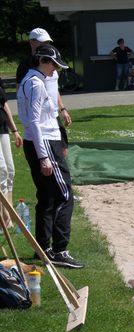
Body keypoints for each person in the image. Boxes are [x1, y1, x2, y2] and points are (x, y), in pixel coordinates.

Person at [16, 45, 84, 269]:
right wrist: (44, 156)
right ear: (42, 61)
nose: (56, 69)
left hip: (37, 141)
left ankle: (42, 248)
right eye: (53, 64)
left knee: (46, 197)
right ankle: (60, 250)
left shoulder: (30, 79)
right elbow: (35, 121)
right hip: (44, 141)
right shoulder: (35, 83)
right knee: (64, 196)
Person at [16, 28, 71, 158]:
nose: (46, 45)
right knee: (46, 156)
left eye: (48, 42)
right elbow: (20, 92)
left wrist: (62, 109)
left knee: (63, 151)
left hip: (54, 115)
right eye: (43, 42)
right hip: (41, 119)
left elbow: (53, 87)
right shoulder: (26, 65)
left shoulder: (52, 60)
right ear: (32, 42)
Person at [0, 78, 23, 227]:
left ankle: (9, 213)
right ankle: (4, 218)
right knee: (1, 171)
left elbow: (4, 105)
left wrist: (15, 130)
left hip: (3, 130)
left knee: (10, 171)